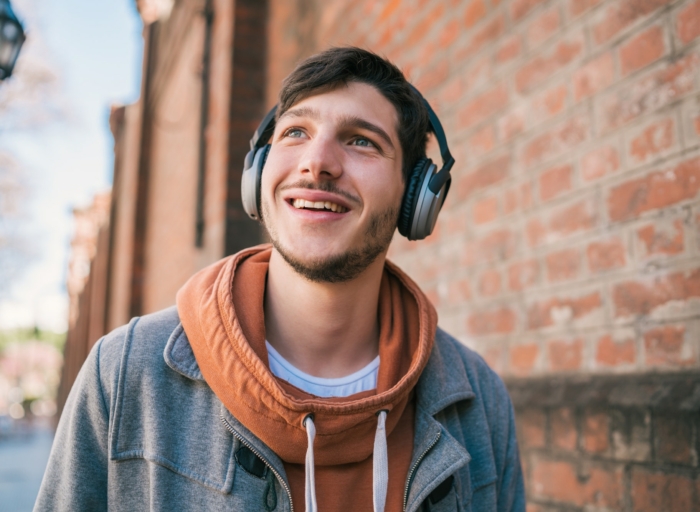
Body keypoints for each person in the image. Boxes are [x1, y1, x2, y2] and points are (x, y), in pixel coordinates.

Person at [35, 47, 524, 512]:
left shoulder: (478, 401)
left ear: (415, 198)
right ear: (258, 172)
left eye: (361, 141)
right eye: (295, 133)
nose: (317, 162)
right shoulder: (124, 375)